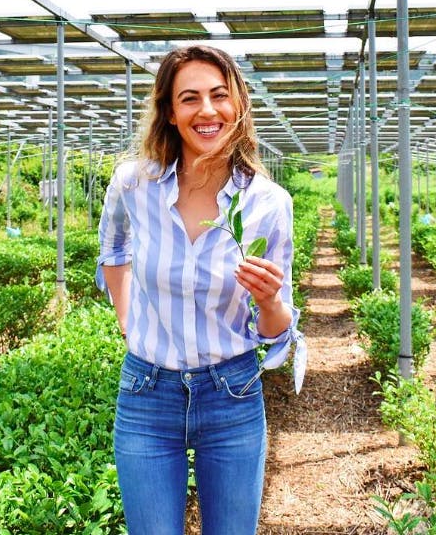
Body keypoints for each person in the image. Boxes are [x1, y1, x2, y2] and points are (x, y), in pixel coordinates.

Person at [97, 44, 306, 535]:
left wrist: (269, 300)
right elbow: (113, 248)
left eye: (219, 95)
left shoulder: (268, 203)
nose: (207, 110)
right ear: (170, 112)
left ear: (238, 105)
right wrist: (128, 323)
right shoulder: (133, 185)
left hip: (231, 394)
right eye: (189, 98)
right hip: (147, 396)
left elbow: (276, 328)